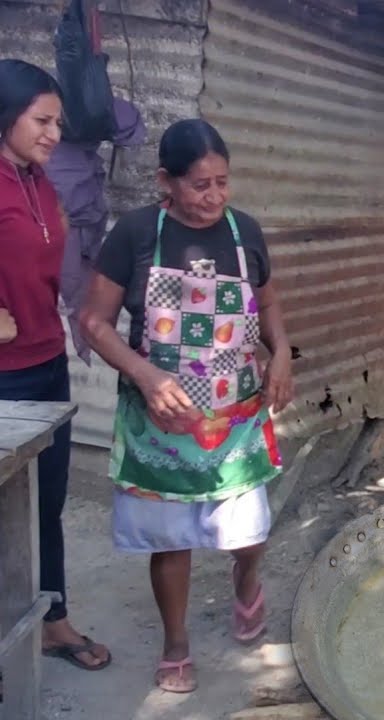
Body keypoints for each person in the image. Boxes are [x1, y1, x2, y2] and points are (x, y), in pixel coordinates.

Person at [79, 119, 293, 693]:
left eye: (223, 182)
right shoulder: (135, 234)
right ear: (165, 182)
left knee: (248, 529)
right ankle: (176, 644)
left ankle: (247, 584)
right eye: (200, 185)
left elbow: (268, 307)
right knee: (171, 538)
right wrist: (145, 374)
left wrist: (283, 355)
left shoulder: (244, 231)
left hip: (236, 413)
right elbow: (93, 321)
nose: (214, 197)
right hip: (162, 417)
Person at [0, 58, 113, 676]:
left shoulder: (38, 181)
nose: (52, 133)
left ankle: (51, 621)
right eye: (41, 120)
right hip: (3, 378)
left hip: (47, 365)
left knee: (47, 503)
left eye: (57, 122)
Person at [46, 94, 146, 363]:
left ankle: (92, 345)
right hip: (68, 218)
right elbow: (131, 129)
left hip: (82, 217)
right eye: (42, 122)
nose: (48, 132)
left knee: (84, 296)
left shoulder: (84, 94)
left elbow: (129, 128)